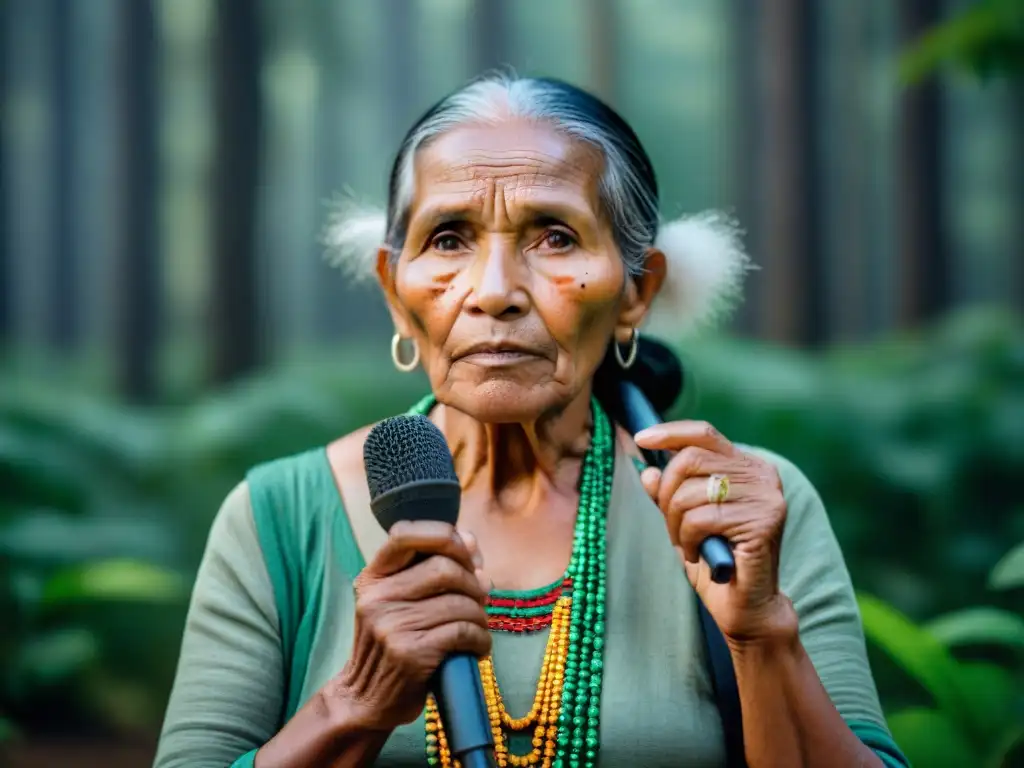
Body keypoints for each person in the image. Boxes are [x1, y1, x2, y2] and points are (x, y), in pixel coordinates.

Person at [154, 73, 908, 768]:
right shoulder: (278, 519)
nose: (494, 291)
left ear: (637, 292)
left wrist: (762, 633)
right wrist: (352, 706)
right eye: (448, 239)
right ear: (395, 290)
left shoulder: (736, 518)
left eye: (554, 237)